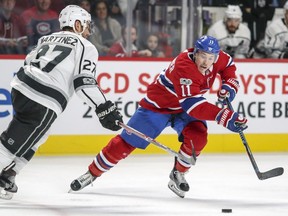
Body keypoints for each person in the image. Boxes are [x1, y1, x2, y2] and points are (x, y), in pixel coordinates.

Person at [70, 35, 248, 198]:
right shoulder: (184, 67)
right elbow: (192, 106)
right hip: (158, 106)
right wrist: (224, 116)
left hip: (184, 108)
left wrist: (229, 85)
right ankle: (92, 173)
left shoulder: (217, 58)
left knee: (198, 137)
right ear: (195, 52)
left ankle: (178, 173)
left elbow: (229, 65)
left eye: (211, 58)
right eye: (202, 56)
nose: (206, 62)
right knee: (126, 143)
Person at [0, 5, 123, 200]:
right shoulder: (85, 46)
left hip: (21, 86)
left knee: (40, 133)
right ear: (76, 24)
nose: (88, 31)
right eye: (86, 25)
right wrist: (105, 108)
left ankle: (8, 174)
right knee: (10, 146)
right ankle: (5, 168)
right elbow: (84, 84)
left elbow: (28, 61)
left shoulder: (45, 38)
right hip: (44, 97)